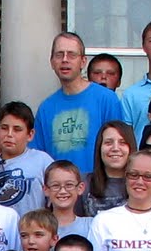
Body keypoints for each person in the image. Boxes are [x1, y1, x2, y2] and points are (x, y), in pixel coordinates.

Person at [37, 32, 127, 175]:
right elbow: (39, 158)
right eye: (59, 54)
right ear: (52, 62)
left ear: (83, 62)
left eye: (72, 55)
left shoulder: (107, 99)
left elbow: (119, 148)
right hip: (61, 191)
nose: (65, 60)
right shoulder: (45, 108)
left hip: (98, 189)